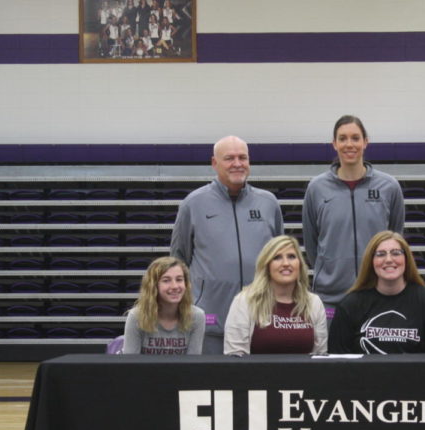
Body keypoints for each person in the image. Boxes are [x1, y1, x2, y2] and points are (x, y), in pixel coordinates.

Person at [170, 135, 283, 354]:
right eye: (229, 158)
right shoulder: (193, 204)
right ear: (214, 163)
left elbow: (279, 258)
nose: (237, 164)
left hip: (262, 321)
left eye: (243, 157)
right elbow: (178, 261)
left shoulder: (268, 203)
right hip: (210, 324)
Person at [302, 115, 405, 311]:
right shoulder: (316, 188)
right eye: (343, 138)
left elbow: (395, 236)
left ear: (366, 142)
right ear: (334, 144)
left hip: (378, 294)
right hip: (330, 299)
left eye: (355, 138)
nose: (349, 144)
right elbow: (311, 242)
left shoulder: (389, 187)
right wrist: (331, 271)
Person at [329, 231, 425, 354]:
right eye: (380, 254)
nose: (388, 260)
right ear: (371, 261)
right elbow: (337, 361)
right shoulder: (350, 305)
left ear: (406, 259)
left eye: (396, 253)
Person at [224, 235, 327, 355]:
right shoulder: (244, 301)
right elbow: (235, 357)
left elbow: (320, 356)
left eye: (292, 257)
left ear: (300, 264)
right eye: (277, 257)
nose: (286, 263)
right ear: (267, 265)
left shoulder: (314, 303)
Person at [122, 256, 205, 354]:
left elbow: (193, 365)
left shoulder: (197, 316)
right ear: (153, 286)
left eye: (179, 279)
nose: (175, 286)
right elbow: (130, 366)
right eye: (166, 280)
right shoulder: (136, 317)